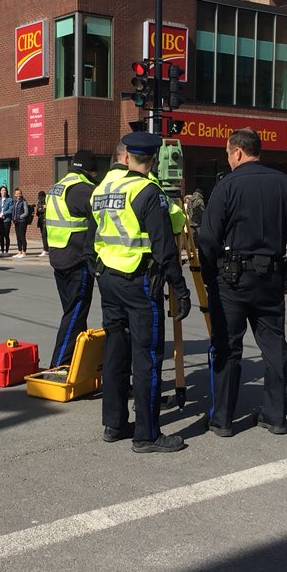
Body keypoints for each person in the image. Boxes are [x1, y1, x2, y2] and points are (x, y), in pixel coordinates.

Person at [198, 128, 287, 437]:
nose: (228, 159)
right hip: (272, 276)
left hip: (232, 278)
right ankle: (276, 417)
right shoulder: (285, 183)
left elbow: (208, 236)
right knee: (274, 347)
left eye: (227, 154)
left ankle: (222, 420)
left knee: (227, 347)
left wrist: (209, 276)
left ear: (237, 152)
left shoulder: (226, 185)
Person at [92, 132, 191, 453]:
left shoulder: (103, 189)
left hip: (108, 278)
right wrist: (180, 289)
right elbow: (164, 249)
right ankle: (146, 434)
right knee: (147, 356)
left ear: (126, 157)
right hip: (139, 281)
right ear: (153, 160)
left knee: (115, 352)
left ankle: (114, 423)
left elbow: (95, 235)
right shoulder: (149, 191)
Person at [46, 149, 98, 367]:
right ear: (90, 170)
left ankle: (79, 359)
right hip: (78, 258)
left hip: (58, 256)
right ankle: (59, 364)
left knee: (73, 312)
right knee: (75, 312)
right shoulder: (86, 190)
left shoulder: (56, 187)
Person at [0, 185, 13, 256]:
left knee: (6, 235)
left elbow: (10, 209)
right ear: (0, 192)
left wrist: (3, 213)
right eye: (2, 190)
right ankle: (2, 251)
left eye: (5, 190)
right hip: (0, 220)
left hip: (7, 220)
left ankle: (6, 251)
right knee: (1, 235)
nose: (3, 192)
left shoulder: (9, 200)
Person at [11, 187, 31, 258]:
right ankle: (19, 252)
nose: (18, 195)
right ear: (15, 194)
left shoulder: (23, 202)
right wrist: (13, 218)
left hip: (22, 221)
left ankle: (24, 252)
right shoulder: (15, 202)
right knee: (18, 237)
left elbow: (26, 212)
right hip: (16, 221)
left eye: (19, 193)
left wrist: (19, 217)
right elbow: (13, 211)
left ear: (21, 194)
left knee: (22, 236)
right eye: (17, 193)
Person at [36, 190, 50, 257]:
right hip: (41, 220)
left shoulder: (46, 202)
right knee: (43, 235)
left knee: (45, 236)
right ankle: (46, 249)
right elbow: (37, 212)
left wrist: (45, 208)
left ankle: (46, 250)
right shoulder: (39, 202)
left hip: (45, 220)